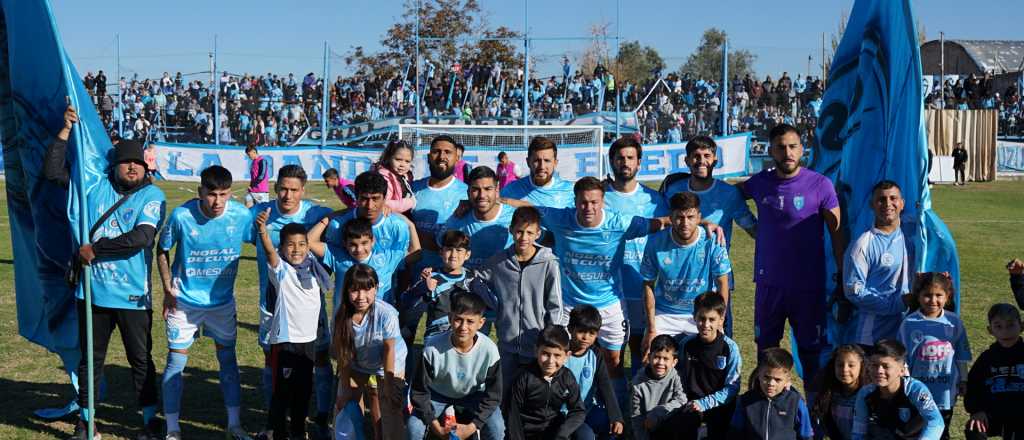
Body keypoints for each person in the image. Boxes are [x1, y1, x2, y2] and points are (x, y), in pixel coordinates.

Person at [45, 104, 167, 440]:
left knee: (141, 362)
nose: (132, 167)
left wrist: (95, 249)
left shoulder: (152, 196)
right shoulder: (93, 188)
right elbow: (53, 173)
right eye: (126, 162)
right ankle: (87, 421)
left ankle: (149, 420)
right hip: (92, 295)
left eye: (138, 163)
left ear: (145, 168)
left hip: (132, 296)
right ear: (114, 166)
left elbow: (142, 238)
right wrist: (66, 129)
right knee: (91, 362)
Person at [738, 123, 843, 384]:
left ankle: (815, 415)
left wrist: (842, 273)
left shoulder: (821, 185)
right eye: (781, 147)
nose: (788, 153)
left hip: (808, 286)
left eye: (793, 146)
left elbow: (837, 233)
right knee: (765, 351)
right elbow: (727, 196)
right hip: (769, 284)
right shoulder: (760, 183)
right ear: (771, 151)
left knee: (812, 354)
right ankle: (763, 413)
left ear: (802, 148)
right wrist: (751, 225)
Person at [156, 166, 252, 440]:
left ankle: (234, 425)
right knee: (176, 363)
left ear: (231, 194)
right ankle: (172, 429)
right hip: (184, 304)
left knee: (228, 362)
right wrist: (167, 288)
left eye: (223, 195)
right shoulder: (182, 216)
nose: (218, 201)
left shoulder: (241, 216)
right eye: (212, 194)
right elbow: (162, 250)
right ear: (201, 193)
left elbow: (264, 244)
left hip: (221, 304)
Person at [246, 164, 334, 439]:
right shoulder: (257, 215)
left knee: (318, 360)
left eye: (294, 189)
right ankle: (273, 423)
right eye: (283, 188)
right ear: (275, 188)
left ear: (303, 191)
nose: (287, 194)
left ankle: (319, 418)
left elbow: (344, 218)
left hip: (309, 307)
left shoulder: (315, 214)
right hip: (272, 305)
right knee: (272, 363)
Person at [661, 136, 756, 337]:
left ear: (715, 160)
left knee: (717, 345)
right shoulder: (674, 190)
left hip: (716, 282)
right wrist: (702, 223)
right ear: (686, 161)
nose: (701, 160)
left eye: (706, 155)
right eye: (695, 156)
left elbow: (752, 228)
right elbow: (662, 222)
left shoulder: (729, 194)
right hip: (678, 281)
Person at [255, 215, 329, 440]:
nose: (296, 249)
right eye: (290, 244)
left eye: (302, 244)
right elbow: (269, 253)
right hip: (286, 341)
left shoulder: (315, 271)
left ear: (308, 246)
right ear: (281, 247)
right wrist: (263, 232)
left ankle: (298, 431)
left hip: (308, 341)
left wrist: (325, 221)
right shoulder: (282, 271)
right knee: (283, 392)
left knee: (304, 391)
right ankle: (276, 432)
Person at [601, 137, 668, 377]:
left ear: (639, 163)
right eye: (620, 158)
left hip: (643, 290)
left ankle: (640, 410)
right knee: (609, 360)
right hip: (608, 292)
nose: (625, 162)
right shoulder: (599, 198)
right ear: (611, 162)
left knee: (644, 357)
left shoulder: (655, 201)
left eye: (630, 158)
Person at [477, 206, 564, 389]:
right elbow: (475, 279)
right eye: (519, 231)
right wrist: (494, 304)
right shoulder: (499, 262)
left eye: (529, 232)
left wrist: (551, 338)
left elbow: (555, 305)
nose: (524, 237)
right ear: (511, 230)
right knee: (505, 391)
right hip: (506, 343)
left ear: (538, 234)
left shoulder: (549, 263)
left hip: (536, 345)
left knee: (533, 392)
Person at [408, 292, 505, 440]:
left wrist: (472, 427)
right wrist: (436, 427)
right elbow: (419, 392)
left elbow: (493, 396)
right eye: (458, 319)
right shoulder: (432, 348)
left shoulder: (490, 350)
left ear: (481, 323)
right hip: (437, 395)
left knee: (497, 428)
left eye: (470, 321)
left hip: (473, 394)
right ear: (449, 318)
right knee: (413, 427)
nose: (463, 327)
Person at [641, 192, 731, 346]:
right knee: (650, 354)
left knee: (714, 357)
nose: (685, 223)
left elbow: (722, 283)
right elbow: (648, 285)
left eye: (690, 217)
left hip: (702, 312)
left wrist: (720, 321)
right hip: (665, 313)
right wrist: (651, 328)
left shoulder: (713, 241)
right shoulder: (655, 243)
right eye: (679, 217)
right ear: (670, 216)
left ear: (699, 217)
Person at [331, 264, 408, 440]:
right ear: (346, 290)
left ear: (376, 289)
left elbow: (389, 350)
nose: (361, 297)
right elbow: (344, 355)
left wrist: (388, 386)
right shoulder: (340, 315)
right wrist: (345, 389)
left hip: (388, 364)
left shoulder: (386, 314)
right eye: (355, 290)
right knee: (343, 404)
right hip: (359, 363)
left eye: (367, 290)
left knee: (391, 407)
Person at [325, 171, 421, 301]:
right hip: (345, 308)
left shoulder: (398, 226)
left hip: (382, 305)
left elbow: (402, 267)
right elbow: (329, 263)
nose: (370, 206)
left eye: (375, 198)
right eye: (364, 199)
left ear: (385, 197)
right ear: (356, 197)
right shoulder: (337, 226)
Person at [897, 272, 972, 439]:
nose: (933, 300)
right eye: (927, 295)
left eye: (939, 295)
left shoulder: (954, 322)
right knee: (915, 433)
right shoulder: (909, 323)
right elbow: (902, 359)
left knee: (941, 432)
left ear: (948, 296)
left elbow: (961, 355)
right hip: (917, 392)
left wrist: (964, 379)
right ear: (918, 296)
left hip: (944, 394)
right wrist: (907, 384)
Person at [841, 180, 910, 346]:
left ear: (902, 203)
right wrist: (896, 305)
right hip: (874, 334)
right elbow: (854, 291)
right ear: (872, 205)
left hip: (907, 329)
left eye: (893, 198)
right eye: (881, 199)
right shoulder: (863, 244)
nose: (888, 204)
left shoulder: (914, 237)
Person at [401, 230, 493, 340]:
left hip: (465, 342)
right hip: (436, 341)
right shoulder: (431, 277)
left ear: (467, 254)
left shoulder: (472, 279)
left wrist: (480, 290)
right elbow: (406, 302)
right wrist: (423, 288)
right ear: (440, 252)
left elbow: (493, 306)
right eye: (449, 250)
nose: (454, 255)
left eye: (459, 250)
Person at [308, 217, 413, 311]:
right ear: (344, 243)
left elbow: (416, 253)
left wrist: (411, 225)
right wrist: (327, 219)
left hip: (378, 325)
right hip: (345, 324)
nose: (359, 249)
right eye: (353, 244)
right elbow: (308, 241)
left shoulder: (387, 258)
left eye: (364, 243)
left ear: (373, 241)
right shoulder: (337, 256)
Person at [675, 292, 742, 440]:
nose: (706, 325)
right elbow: (678, 377)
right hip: (691, 406)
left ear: (721, 320)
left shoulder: (730, 348)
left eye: (712, 319)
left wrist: (705, 403)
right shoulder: (686, 345)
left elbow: (733, 387)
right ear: (694, 317)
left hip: (720, 407)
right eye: (702, 319)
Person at [852, 339, 944, 440]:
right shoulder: (865, 393)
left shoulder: (916, 390)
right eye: (874, 365)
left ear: (901, 370)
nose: (879, 371)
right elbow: (858, 431)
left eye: (886, 366)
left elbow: (936, 421)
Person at [506, 325, 586, 440]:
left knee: (585, 435)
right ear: (536, 351)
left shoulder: (567, 377)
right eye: (545, 354)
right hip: (526, 433)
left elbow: (578, 410)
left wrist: (562, 434)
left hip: (555, 433)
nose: (550, 361)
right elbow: (512, 415)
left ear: (567, 356)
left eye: (557, 355)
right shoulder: (523, 378)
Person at [963, 303, 1024, 440]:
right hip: (993, 414)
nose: (1005, 331)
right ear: (990, 330)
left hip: (1021, 415)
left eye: (1010, 325)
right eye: (998, 326)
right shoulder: (987, 358)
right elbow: (973, 386)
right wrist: (977, 410)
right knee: (974, 428)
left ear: (1021, 326)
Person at [565, 306, 625, 440]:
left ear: (597, 334)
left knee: (611, 426)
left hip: (587, 411)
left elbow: (605, 385)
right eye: (581, 331)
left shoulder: (595, 354)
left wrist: (616, 416)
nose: (586, 337)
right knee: (585, 436)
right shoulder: (561, 353)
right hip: (563, 414)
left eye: (591, 333)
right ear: (570, 329)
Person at [729, 347, 814, 440]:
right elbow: (734, 434)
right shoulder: (745, 401)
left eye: (777, 380)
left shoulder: (796, 402)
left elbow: (806, 436)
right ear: (759, 374)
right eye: (766, 377)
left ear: (787, 380)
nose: (771, 383)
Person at [630, 334, 688, 440]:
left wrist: (657, 413)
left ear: (674, 362)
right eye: (656, 357)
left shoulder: (676, 376)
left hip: (669, 422)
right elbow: (636, 418)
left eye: (666, 359)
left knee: (687, 418)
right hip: (649, 428)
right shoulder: (638, 384)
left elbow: (682, 400)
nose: (660, 363)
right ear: (649, 357)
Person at [811, 345, 869, 440]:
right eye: (840, 365)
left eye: (851, 365)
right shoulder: (829, 394)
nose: (845, 370)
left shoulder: (868, 394)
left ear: (861, 366)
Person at [500, 136, 575, 208]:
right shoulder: (510, 191)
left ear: (555, 163)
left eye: (547, 161)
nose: (542, 166)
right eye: (536, 161)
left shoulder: (570, 191)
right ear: (528, 162)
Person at [374, 140, 417, 213]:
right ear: (389, 158)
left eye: (407, 161)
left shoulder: (406, 176)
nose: (402, 165)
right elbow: (382, 204)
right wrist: (410, 202)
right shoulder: (385, 178)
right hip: (390, 218)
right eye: (398, 159)